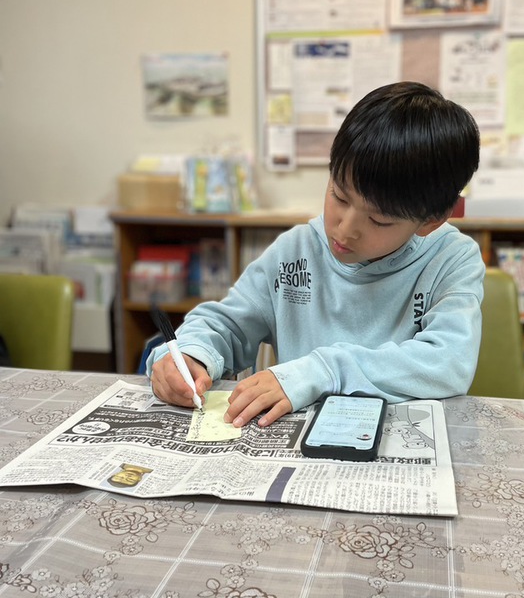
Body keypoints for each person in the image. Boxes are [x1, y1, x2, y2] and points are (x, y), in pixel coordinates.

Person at [148, 81, 485, 429]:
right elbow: (228, 324)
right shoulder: (295, 251)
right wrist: (190, 354)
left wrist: (322, 371)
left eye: (379, 220)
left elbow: (448, 361)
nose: (345, 228)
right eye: (339, 196)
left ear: (429, 221)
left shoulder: (451, 259)